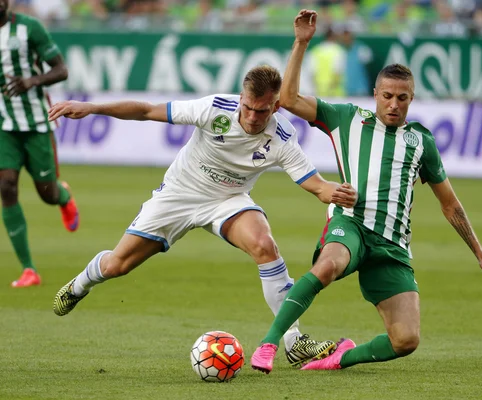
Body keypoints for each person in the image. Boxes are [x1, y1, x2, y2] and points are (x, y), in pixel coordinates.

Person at [48, 65, 358, 367]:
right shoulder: (213, 108)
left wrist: (337, 191)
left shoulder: (282, 137)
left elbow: (317, 186)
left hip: (229, 200)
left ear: (276, 106)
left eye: (262, 111)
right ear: (240, 97)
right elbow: (146, 110)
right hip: (179, 194)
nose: (252, 117)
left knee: (265, 245)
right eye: (248, 107)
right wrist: (90, 107)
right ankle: (79, 286)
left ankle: (294, 341)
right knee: (117, 265)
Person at [250, 10, 482, 374]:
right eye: (387, 96)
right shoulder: (346, 118)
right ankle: (269, 345)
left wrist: (481, 255)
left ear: (411, 98)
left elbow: (450, 205)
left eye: (402, 98)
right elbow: (288, 99)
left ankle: (339, 360)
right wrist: (301, 42)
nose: (393, 104)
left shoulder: (422, 143)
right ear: (375, 94)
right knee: (328, 264)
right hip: (351, 223)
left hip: (391, 245)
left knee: (406, 340)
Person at [0, 0, 79, 288]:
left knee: (47, 193)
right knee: (6, 186)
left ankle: (63, 197)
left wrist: (31, 81)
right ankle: (28, 270)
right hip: (4, 126)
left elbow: (61, 70)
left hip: (36, 124)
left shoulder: (28, 28)